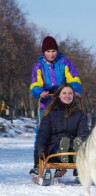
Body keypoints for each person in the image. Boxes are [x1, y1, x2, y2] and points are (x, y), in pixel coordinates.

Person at [29, 36, 82, 174]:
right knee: (42, 131)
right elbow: (35, 84)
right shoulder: (38, 66)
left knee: (68, 128)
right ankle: (38, 163)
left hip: (63, 99)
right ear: (43, 52)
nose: (51, 54)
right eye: (48, 51)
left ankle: (68, 158)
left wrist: (74, 90)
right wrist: (40, 92)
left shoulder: (64, 62)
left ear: (57, 51)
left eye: (53, 51)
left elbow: (74, 78)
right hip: (46, 101)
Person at [36, 84, 89, 179]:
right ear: (59, 95)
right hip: (54, 145)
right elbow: (43, 133)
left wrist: (86, 145)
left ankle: (75, 155)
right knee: (59, 148)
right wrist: (40, 147)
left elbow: (84, 133)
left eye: (70, 93)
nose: (67, 96)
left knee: (79, 144)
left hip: (73, 143)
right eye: (64, 93)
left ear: (73, 96)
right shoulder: (50, 113)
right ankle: (65, 154)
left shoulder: (79, 114)